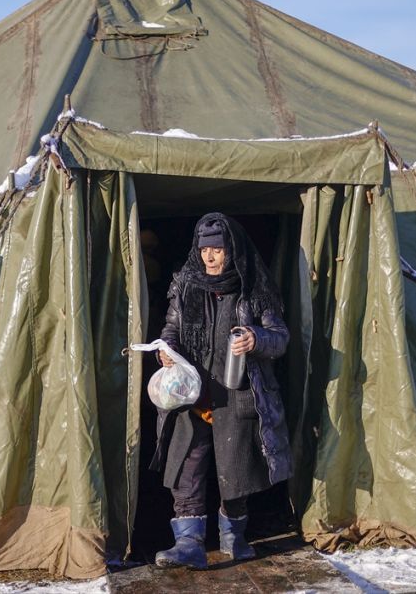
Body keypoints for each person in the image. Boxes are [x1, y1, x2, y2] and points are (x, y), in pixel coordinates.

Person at [151, 212, 291, 569]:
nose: (209, 257)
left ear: (232, 250)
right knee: (187, 466)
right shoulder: (185, 284)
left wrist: (256, 338)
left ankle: (234, 539)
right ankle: (188, 543)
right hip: (191, 393)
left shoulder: (254, 288)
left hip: (237, 393)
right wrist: (166, 351)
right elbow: (171, 329)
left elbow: (281, 339)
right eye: (204, 250)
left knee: (236, 471)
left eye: (217, 249)